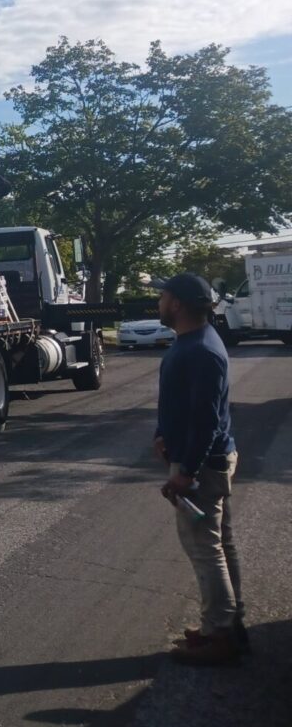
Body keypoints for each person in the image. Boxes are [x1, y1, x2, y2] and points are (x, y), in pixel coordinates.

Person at [151, 272, 246, 665]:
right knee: (218, 543)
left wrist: (186, 471)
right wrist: (163, 433)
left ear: (178, 304)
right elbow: (181, 403)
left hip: (203, 465)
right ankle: (225, 623)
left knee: (205, 547)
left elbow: (205, 420)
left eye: (163, 296)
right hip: (203, 458)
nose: (158, 302)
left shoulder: (201, 350)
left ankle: (219, 636)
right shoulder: (191, 342)